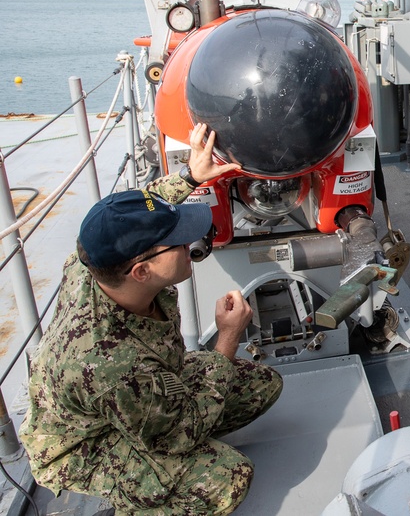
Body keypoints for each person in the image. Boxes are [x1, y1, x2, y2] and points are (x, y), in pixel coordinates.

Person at [20, 123, 283, 515]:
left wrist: (190, 176)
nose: (191, 242)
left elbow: (133, 211)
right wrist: (227, 339)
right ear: (141, 272)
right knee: (227, 478)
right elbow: (176, 434)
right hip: (84, 444)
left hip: (136, 392)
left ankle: (162, 454)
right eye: (178, 241)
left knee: (260, 385)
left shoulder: (94, 258)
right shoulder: (111, 362)